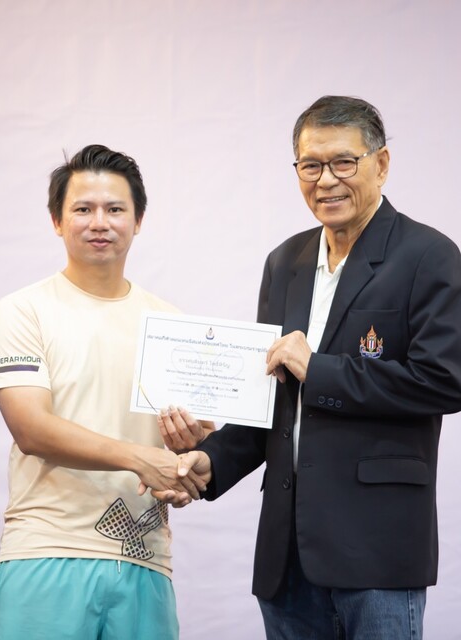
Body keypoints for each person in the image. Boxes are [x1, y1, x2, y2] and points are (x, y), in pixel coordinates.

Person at [159, 96, 461, 639]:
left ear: (381, 164)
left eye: (343, 162)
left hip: (378, 551)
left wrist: (318, 370)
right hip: (287, 556)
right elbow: (273, 399)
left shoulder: (429, 255)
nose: (326, 181)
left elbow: (445, 380)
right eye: (311, 165)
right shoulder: (285, 262)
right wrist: (210, 462)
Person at [0, 144, 212, 640]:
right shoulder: (24, 309)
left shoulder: (172, 324)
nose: (99, 222)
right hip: (45, 550)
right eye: (83, 209)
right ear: (57, 221)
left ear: (138, 220)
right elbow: (31, 428)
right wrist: (141, 459)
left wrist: (187, 457)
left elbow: (181, 453)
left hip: (144, 558)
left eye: (115, 209)